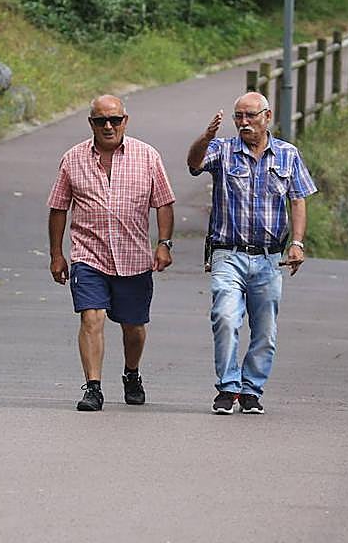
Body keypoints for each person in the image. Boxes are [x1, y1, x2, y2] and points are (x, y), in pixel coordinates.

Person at [186, 92, 317, 415]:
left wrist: (297, 243)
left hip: (269, 258)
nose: (244, 123)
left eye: (250, 116)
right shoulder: (222, 149)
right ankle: (227, 387)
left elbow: (298, 199)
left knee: (265, 330)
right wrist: (206, 137)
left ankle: (251, 390)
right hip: (227, 253)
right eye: (238, 117)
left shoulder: (288, 154)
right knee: (226, 317)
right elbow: (194, 163)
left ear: (267, 116)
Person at [47, 95, 176, 412]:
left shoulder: (146, 156)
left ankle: (132, 374)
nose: (108, 126)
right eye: (101, 120)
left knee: (133, 327)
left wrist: (164, 243)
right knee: (91, 317)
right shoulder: (72, 159)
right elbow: (58, 208)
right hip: (89, 256)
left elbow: (164, 203)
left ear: (125, 121)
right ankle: (93, 387)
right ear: (90, 123)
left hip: (134, 257)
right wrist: (56, 254)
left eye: (115, 120)